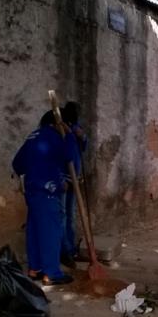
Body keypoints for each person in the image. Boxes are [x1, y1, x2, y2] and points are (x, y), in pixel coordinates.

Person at [12, 111, 75, 286]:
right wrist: (69, 135)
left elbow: (17, 164)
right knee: (50, 231)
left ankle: (35, 269)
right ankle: (52, 273)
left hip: (32, 190)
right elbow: (69, 155)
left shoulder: (33, 137)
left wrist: (34, 174)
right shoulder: (54, 136)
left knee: (34, 229)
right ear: (59, 123)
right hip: (48, 191)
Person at [60, 102, 86, 267]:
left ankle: (71, 249)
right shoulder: (59, 129)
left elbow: (83, 148)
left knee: (71, 215)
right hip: (63, 180)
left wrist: (81, 136)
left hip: (75, 179)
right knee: (62, 215)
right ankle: (64, 251)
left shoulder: (76, 128)